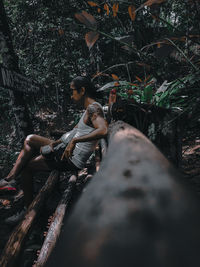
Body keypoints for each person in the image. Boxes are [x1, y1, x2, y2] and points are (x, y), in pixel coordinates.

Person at [0, 76, 108, 222]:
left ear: (82, 90)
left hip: (70, 158)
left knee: (27, 167)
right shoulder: (89, 109)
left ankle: (27, 211)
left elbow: (103, 130)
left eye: (72, 91)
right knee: (30, 139)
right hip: (64, 148)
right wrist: (56, 143)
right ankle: (10, 180)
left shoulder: (94, 108)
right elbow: (73, 133)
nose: (71, 95)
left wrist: (75, 141)